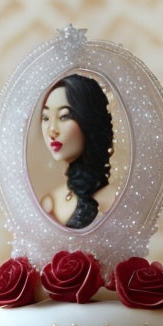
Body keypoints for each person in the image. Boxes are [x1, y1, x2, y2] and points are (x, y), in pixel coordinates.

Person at [40, 74, 115, 228]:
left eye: (64, 116)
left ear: (89, 120)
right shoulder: (50, 201)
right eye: (46, 118)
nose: (52, 130)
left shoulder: (113, 201)